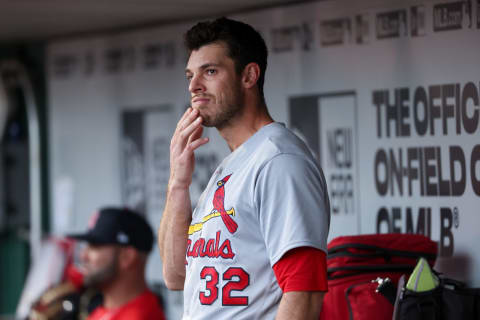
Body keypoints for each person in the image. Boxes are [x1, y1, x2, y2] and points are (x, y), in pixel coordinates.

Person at [158, 17, 330, 319]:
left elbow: (304, 291)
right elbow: (175, 277)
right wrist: (178, 184)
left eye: (210, 72)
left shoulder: (279, 160)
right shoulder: (232, 166)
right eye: (190, 76)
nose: (195, 86)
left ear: (249, 75)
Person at [68, 207, 166, 320]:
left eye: (95, 246)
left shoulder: (140, 316)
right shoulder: (105, 310)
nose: (83, 256)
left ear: (127, 257)